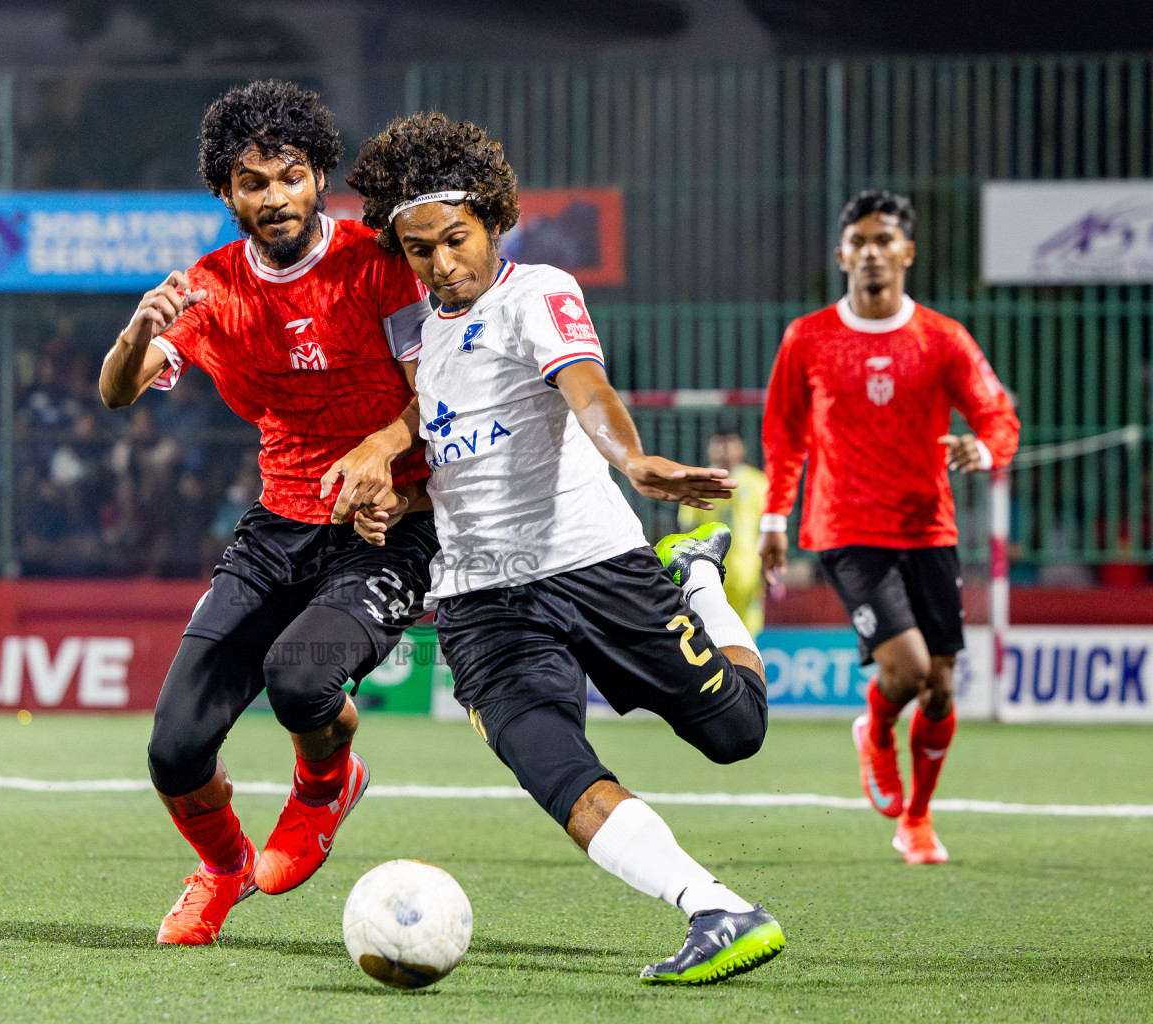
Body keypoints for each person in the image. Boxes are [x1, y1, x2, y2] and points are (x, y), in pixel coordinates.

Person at [342, 112, 784, 985]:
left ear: (493, 220)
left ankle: (696, 575)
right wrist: (391, 494)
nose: (441, 264)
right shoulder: (412, 333)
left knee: (737, 733)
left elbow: (586, 389)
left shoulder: (537, 292)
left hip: (593, 564)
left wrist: (635, 460)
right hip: (479, 600)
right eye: (420, 249)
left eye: (456, 240)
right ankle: (714, 908)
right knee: (552, 765)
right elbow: (449, 452)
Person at [97, 80, 438, 945]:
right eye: (253, 183)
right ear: (227, 193)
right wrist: (138, 330)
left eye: (290, 176)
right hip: (278, 529)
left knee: (300, 676)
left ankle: (326, 786)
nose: (275, 196)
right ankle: (221, 871)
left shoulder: (379, 262)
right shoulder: (210, 289)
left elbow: (439, 392)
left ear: (321, 175)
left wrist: (381, 456)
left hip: (386, 530)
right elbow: (117, 392)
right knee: (174, 751)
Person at [759, 189, 1020, 865]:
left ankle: (918, 820)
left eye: (885, 240)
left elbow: (997, 415)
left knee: (940, 685)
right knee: (906, 670)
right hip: (847, 529)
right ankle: (876, 732)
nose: (871, 252)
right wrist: (774, 517)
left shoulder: (942, 338)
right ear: (841, 254)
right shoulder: (808, 338)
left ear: (907, 252)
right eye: (860, 241)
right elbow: (785, 435)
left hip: (928, 529)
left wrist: (983, 449)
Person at [677, 430, 769, 636]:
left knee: (746, 630)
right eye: (718, 445)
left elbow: (766, 528)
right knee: (708, 629)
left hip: (747, 571)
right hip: (706, 570)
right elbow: (687, 529)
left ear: (741, 448)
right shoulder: (698, 483)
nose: (723, 450)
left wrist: (768, 562)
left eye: (728, 444)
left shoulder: (757, 482)